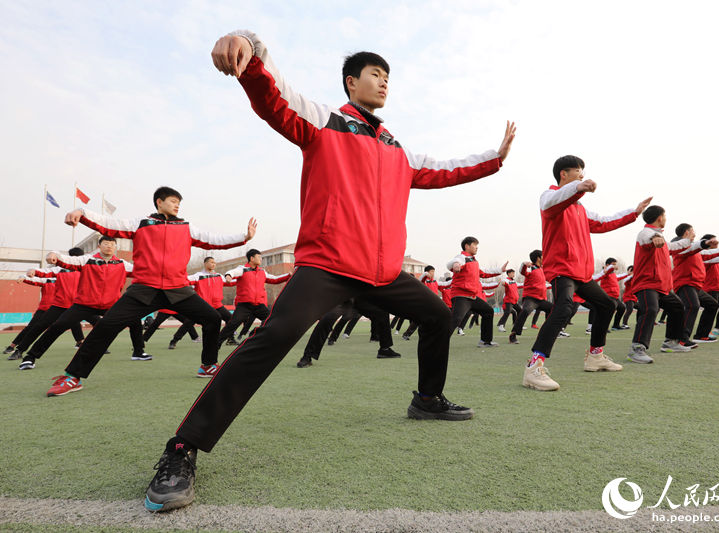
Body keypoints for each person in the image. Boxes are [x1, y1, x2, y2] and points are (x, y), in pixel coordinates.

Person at [143, 30, 516, 513]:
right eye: (375, 74)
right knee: (274, 337)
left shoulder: (398, 149)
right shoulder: (324, 122)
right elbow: (274, 97)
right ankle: (182, 448)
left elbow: (448, 169)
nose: (384, 82)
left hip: (383, 274)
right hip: (328, 266)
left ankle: (427, 399)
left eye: (388, 76)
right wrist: (249, 48)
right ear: (351, 82)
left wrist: (495, 158)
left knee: (437, 315)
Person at [45, 186, 255, 396]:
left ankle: (208, 365)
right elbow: (109, 224)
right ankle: (73, 377)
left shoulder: (186, 227)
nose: (177, 205)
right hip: (144, 289)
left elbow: (215, 240)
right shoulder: (141, 223)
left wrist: (244, 236)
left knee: (212, 318)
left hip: (178, 289)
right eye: (172, 201)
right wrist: (81, 212)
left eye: (179, 202)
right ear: (159, 202)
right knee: (106, 325)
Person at [522, 155, 650, 391]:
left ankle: (595, 356)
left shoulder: (580, 209)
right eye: (578, 170)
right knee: (563, 308)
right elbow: (554, 201)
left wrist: (634, 212)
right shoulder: (549, 197)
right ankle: (533, 368)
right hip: (562, 268)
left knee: (607, 305)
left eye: (583, 171)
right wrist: (578, 188)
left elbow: (604, 222)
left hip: (582, 273)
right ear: (563, 174)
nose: (582, 174)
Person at [19, 237, 146, 370]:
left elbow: (143, 271)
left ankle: (138, 352)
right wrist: (53, 254)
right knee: (57, 326)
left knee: (134, 320)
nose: (109, 246)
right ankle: (30, 357)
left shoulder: (122, 264)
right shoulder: (87, 260)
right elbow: (65, 260)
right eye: (106, 243)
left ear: (115, 247)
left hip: (110, 304)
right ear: (99, 246)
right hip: (84, 304)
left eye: (112, 244)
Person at [627, 206, 696, 364]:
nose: (665, 218)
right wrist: (655, 237)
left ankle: (671, 342)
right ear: (659, 218)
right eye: (664, 216)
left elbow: (675, 246)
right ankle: (637, 349)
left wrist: (695, 241)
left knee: (677, 306)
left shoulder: (662, 240)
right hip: (647, 283)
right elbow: (648, 237)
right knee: (651, 309)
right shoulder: (645, 233)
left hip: (661, 286)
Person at [7, 249, 85, 360]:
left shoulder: (87, 269)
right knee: (39, 326)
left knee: (99, 322)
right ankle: (19, 350)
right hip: (59, 305)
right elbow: (44, 272)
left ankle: (94, 345)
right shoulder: (60, 269)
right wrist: (32, 271)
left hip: (78, 306)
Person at [216, 249, 291, 347]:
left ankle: (255, 337)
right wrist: (229, 276)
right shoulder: (242, 269)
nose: (261, 259)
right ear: (252, 258)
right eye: (259, 257)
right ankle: (216, 344)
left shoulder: (262, 271)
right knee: (232, 324)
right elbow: (232, 272)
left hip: (259, 306)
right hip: (244, 306)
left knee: (271, 320)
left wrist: (288, 275)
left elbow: (275, 279)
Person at [447, 237, 505, 347]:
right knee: (456, 319)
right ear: (467, 246)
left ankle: (485, 341)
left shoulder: (473, 261)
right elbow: (453, 262)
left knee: (488, 311)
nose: (477, 247)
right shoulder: (462, 257)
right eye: (474, 245)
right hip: (461, 296)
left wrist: (500, 270)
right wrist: (455, 264)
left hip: (472, 297)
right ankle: (437, 343)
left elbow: (484, 272)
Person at [509, 250, 553, 344]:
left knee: (553, 309)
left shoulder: (542, 269)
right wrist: (524, 264)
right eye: (542, 256)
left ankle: (547, 332)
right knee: (525, 311)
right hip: (531, 298)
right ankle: (513, 334)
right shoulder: (531, 268)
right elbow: (522, 271)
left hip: (541, 299)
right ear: (538, 258)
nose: (544, 257)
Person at [592, 258, 627, 331]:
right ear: (607, 265)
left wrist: (628, 274)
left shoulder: (613, 274)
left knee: (622, 308)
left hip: (615, 297)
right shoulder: (606, 272)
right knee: (609, 310)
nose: (615, 266)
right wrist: (611, 267)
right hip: (608, 296)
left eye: (615, 264)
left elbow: (619, 277)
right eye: (613, 264)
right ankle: (603, 327)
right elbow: (608, 269)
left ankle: (615, 325)